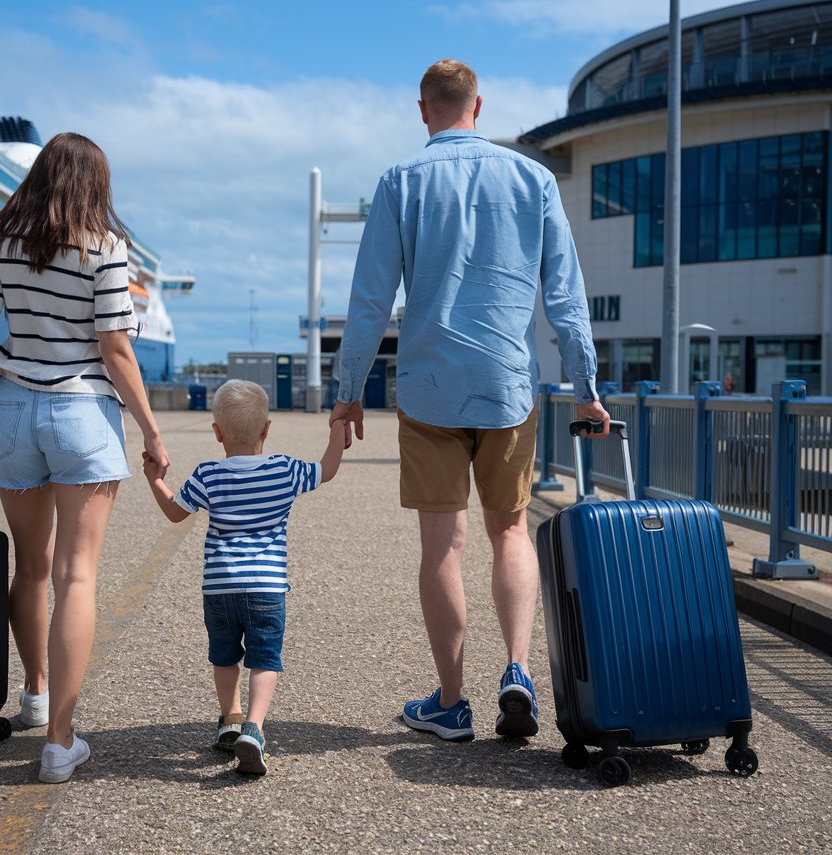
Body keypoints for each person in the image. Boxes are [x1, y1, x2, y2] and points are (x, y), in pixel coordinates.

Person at [331, 59, 610, 743]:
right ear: (478, 106)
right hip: (509, 388)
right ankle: (517, 669)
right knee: (509, 531)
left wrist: (346, 394)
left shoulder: (400, 182)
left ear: (422, 109)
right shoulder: (533, 179)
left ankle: (452, 703)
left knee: (442, 549)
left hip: (429, 390)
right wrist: (588, 391)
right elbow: (566, 299)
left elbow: (370, 303)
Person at [0, 132, 169, 783]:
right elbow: (116, 349)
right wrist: (152, 431)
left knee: (32, 568)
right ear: (94, 183)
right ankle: (60, 742)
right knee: (77, 575)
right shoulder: (103, 246)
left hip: (13, 409)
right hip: (82, 414)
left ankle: (36, 693)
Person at [142, 380, 346, 776]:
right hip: (267, 587)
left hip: (219, 586)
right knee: (265, 658)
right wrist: (337, 427)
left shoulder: (209, 474)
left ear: (217, 432)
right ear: (266, 429)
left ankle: (230, 719)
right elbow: (328, 469)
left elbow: (174, 512)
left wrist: (155, 478)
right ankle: (254, 727)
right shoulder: (285, 470)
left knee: (224, 655)